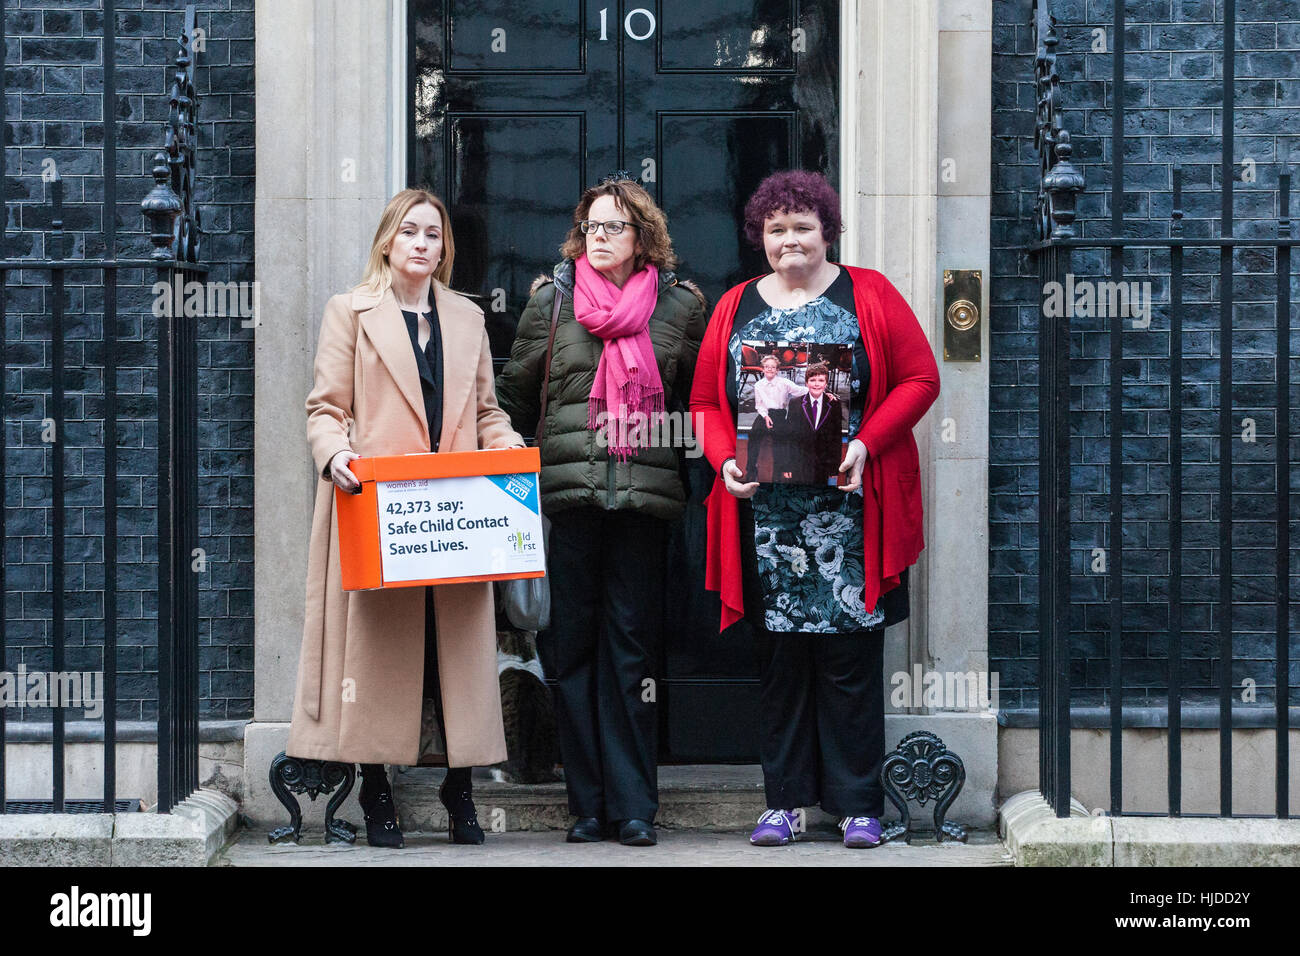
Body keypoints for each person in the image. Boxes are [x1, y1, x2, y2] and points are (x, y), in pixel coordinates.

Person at [689, 170, 939, 849]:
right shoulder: (735, 304)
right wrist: (725, 463)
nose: (789, 240)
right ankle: (786, 804)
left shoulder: (871, 294)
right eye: (776, 230)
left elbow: (921, 378)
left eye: (803, 227)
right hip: (765, 518)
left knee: (850, 662)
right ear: (760, 238)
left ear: (827, 231)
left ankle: (860, 806)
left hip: (852, 510)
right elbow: (707, 405)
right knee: (780, 664)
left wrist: (865, 443)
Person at [286, 188, 525, 848]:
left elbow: (486, 414)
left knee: (446, 653)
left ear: (444, 249)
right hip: (378, 509)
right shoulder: (350, 312)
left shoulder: (468, 320)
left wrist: (510, 454)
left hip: (454, 516)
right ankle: (376, 789)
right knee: (381, 650)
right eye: (411, 231)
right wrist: (334, 454)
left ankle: (460, 787)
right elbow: (325, 409)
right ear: (388, 241)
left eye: (435, 234)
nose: (423, 243)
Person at [495, 175, 707, 846]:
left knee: (631, 658)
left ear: (643, 236)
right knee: (570, 653)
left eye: (615, 226)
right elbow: (510, 403)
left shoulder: (679, 308)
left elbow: (698, 409)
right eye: (592, 227)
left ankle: (634, 805)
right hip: (568, 505)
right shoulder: (551, 303)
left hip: (644, 507)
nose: (602, 238)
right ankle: (587, 805)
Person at [782, 362, 844, 484]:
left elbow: (836, 438)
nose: (816, 384)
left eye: (821, 380)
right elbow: (789, 437)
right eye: (812, 380)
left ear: (826, 383)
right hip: (799, 463)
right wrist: (787, 465)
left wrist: (833, 468)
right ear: (806, 383)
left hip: (823, 464)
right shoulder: (795, 403)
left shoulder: (834, 404)